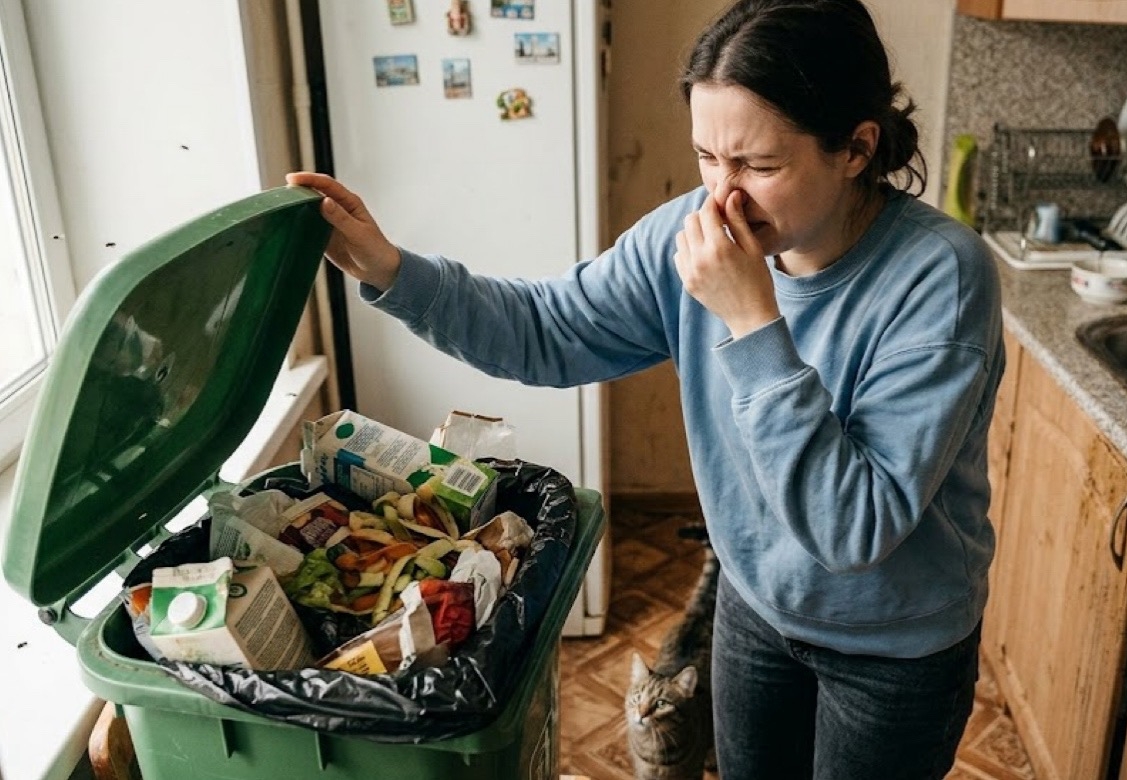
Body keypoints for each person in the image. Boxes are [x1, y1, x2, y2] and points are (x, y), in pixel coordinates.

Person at [288, 0, 1004, 776]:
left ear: (857, 148)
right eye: (706, 156)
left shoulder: (941, 279)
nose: (723, 196)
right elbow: (544, 328)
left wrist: (752, 322)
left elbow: (853, 531)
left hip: (896, 650)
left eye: (758, 166)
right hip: (756, 610)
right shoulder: (689, 233)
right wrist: (390, 271)